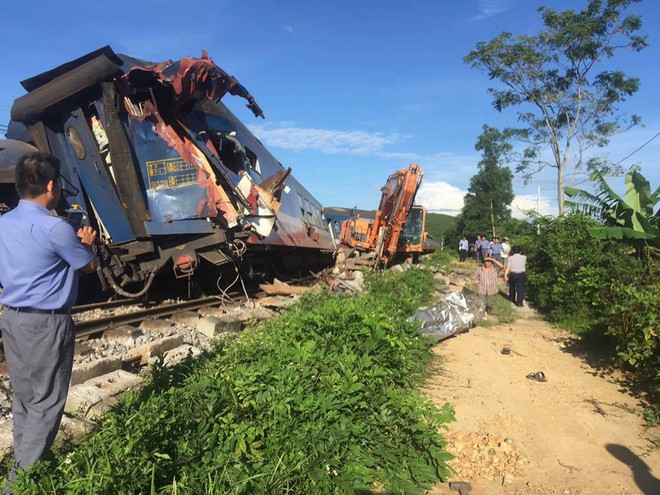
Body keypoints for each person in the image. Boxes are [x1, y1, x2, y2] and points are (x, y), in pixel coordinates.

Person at [0, 152, 97, 490]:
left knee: (25, 398)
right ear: (52, 185)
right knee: (47, 403)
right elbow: (87, 266)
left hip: (12, 319)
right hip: (47, 324)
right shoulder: (55, 227)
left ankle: (25, 463)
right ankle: (19, 484)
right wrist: (87, 244)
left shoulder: (3, 223)